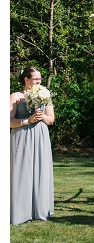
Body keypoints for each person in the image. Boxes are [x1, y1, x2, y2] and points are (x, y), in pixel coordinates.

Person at [10, 66, 55, 225]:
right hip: (22, 137)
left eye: (40, 79)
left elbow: (51, 120)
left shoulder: (45, 95)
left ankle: (40, 210)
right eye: (36, 79)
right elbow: (8, 121)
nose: (39, 81)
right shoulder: (15, 96)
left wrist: (42, 116)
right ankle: (21, 212)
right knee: (22, 171)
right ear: (26, 80)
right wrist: (26, 121)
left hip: (40, 136)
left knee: (40, 170)